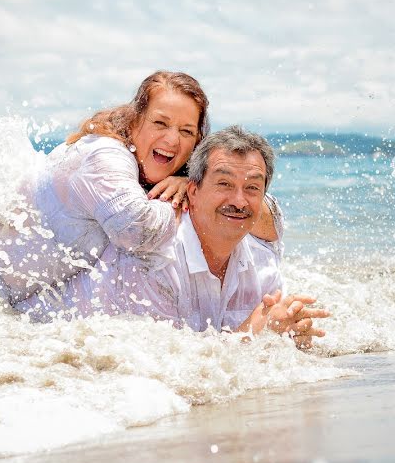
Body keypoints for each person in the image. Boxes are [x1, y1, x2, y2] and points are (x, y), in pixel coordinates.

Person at [19, 126, 329, 348]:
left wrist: (291, 332)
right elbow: (182, 369)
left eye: (252, 188)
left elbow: (247, 337)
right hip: (31, 326)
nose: (238, 200)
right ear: (192, 192)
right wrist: (258, 333)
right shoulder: (155, 261)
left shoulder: (261, 264)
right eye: (223, 184)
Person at [0, 71, 213, 307]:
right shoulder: (103, 154)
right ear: (134, 120)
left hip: (2, 285)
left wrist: (189, 181)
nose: (172, 139)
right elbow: (135, 231)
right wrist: (176, 200)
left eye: (186, 131)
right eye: (160, 123)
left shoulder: (144, 161)